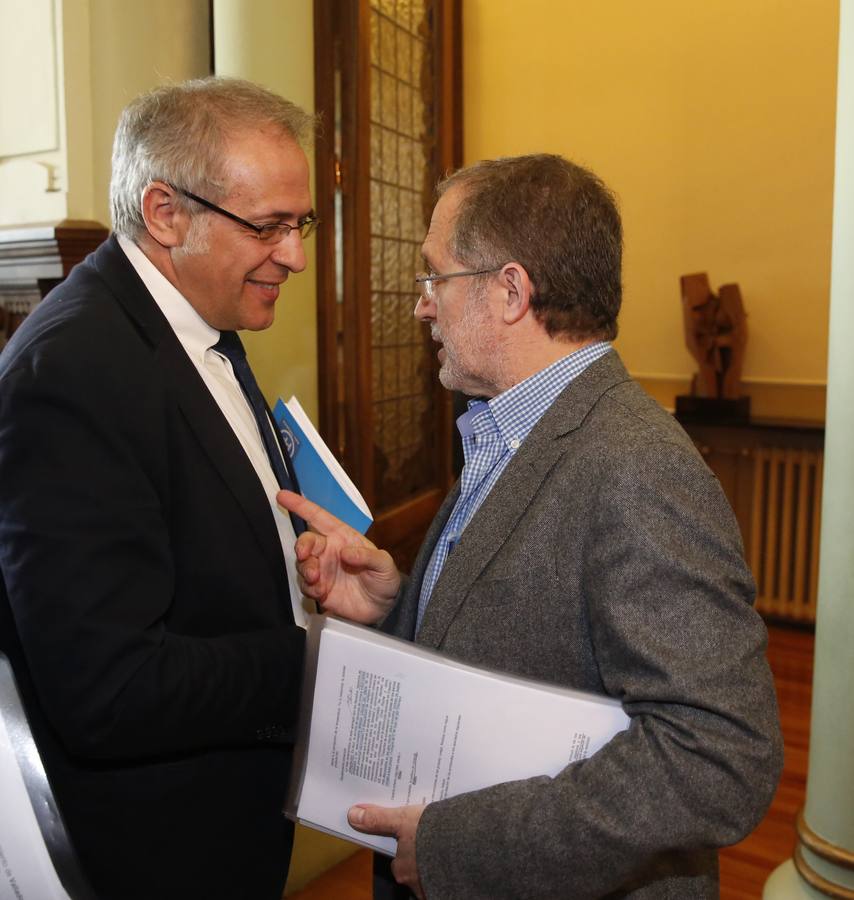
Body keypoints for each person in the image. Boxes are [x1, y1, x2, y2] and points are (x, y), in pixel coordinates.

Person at [278, 154, 784, 899]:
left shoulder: (638, 468)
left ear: (510, 291)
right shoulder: (508, 426)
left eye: (434, 277)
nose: (422, 305)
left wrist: (459, 845)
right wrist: (399, 607)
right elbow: (531, 627)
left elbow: (719, 758)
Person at [0, 78, 318, 900]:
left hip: (230, 818)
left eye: (302, 222)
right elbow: (109, 690)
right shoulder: (72, 372)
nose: (296, 256)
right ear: (167, 213)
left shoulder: (201, 312)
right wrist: (318, 661)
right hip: (157, 853)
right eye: (269, 227)